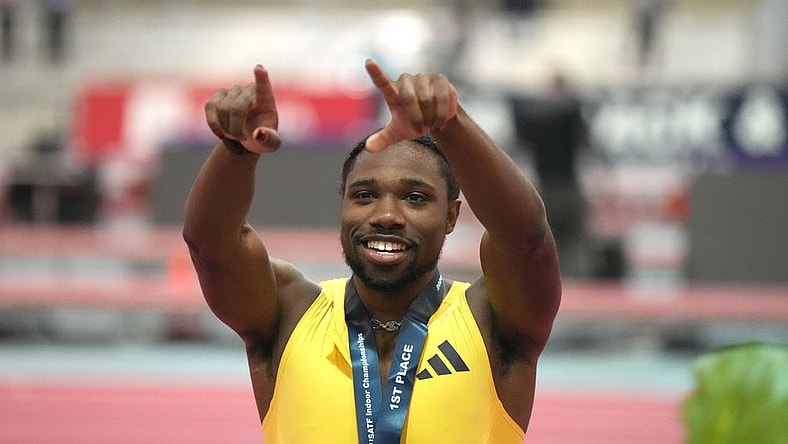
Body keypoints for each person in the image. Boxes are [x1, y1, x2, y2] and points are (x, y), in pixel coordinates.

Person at [183, 59, 561, 443]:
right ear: (342, 205)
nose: (386, 215)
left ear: (451, 216)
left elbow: (526, 239)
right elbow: (210, 245)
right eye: (364, 196)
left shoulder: (493, 321)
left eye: (414, 198)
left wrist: (451, 123)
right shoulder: (287, 313)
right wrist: (235, 150)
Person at [510, 71, 591, 278]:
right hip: (566, 188)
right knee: (571, 247)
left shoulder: (537, 119)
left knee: (550, 246)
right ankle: (572, 283)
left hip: (548, 190)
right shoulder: (571, 117)